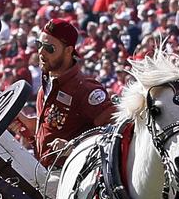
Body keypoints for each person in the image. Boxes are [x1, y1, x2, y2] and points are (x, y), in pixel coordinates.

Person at [19, 19, 118, 166]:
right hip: (42, 171)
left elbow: (114, 129)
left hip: (71, 177)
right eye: (39, 44)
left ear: (68, 51)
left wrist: (74, 146)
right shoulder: (46, 86)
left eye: (49, 48)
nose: (41, 51)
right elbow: (51, 129)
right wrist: (26, 122)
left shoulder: (85, 89)